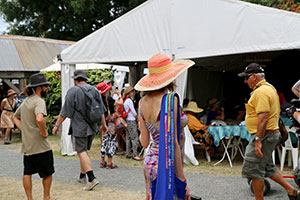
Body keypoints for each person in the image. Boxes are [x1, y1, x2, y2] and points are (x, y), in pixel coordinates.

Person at [135, 53, 193, 200]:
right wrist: (182, 180)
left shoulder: (142, 103)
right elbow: (172, 143)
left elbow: (144, 142)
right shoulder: (170, 101)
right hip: (167, 165)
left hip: (150, 163)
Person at [239, 63, 300, 200]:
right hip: (270, 134)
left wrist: (258, 141)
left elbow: (263, 117)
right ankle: (292, 191)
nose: (245, 81)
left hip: (265, 135)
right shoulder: (269, 88)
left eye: (246, 78)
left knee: (254, 171)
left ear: (254, 77)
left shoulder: (261, 91)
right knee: (268, 167)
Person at [52, 70, 107, 191]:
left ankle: (91, 178)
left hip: (79, 127)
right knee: (84, 151)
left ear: (75, 80)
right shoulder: (94, 90)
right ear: (85, 79)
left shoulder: (73, 91)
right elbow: (101, 109)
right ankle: (82, 176)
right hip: (92, 126)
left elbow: (65, 112)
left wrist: (56, 126)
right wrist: (104, 125)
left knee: (81, 151)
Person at [12, 73, 55, 200]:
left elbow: (14, 117)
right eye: (46, 86)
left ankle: (29, 198)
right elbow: (40, 119)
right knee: (48, 172)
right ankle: (46, 197)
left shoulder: (26, 101)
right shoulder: (39, 101)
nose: (47, 88)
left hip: (28, 146)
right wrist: (44, 132)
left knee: (27, 172)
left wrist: (24, 129)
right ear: (39, 87)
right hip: (41, 145)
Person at [97, 82, 124, 169]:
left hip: (102, 122)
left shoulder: (98, 99)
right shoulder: (108, 99)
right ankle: (109, 162)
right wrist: (119, 94)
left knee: (104, 141)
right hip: (110, 123)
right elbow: (120, 103)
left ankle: (102, 161)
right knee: (112, 140)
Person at [123, 86, 142, 161]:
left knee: (128, 138)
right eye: (132, 91)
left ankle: (128, 153)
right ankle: (135, 154)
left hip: (127, 120)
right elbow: (133, 111)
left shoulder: (125, 100)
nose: (133, 93)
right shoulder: (129, 101)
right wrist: (137, 117)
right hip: (131, 120)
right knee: (135, 138)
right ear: (129, 92)